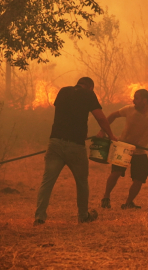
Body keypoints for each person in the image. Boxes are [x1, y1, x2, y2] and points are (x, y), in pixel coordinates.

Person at [34, 77, 117, 226]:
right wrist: (111, 135)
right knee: (82, 182)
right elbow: (100, 117)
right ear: (90, 87)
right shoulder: (88, 95)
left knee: (47, 182)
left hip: (55, 142)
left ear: (78, 83)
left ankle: (39, 217)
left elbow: (64, 113)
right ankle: (83, 216)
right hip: (75, 145)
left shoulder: (63, 91)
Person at [98, 89, 148, 209]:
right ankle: (106, 198)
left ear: (145, 101)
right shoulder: (129, 109)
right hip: (123, 146)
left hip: (139, 151)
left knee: (140, 178)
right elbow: (113, 116)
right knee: (116, 173)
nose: (133, 101)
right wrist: (102, 131)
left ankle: (128, 203)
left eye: (136, 98)